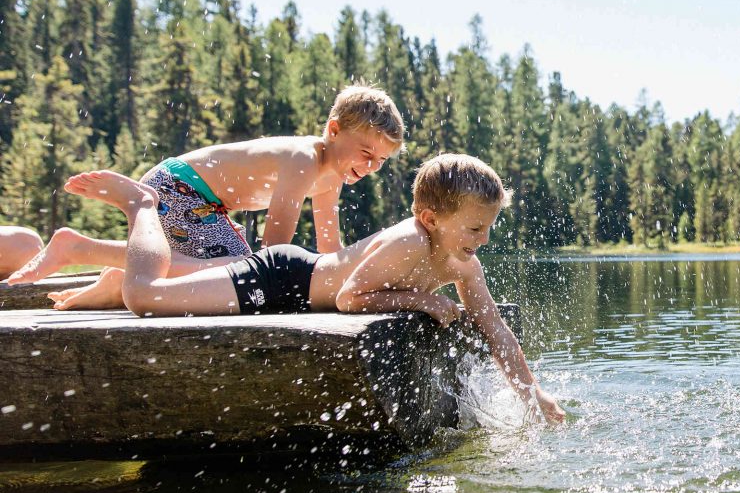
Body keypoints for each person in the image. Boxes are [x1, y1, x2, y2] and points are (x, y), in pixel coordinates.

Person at [61, 153, 566, 423]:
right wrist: (420, 300)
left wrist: (532, 394)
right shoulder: (408, 242)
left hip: (290, 284)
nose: (483, 239)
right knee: (144, 298)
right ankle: (141, 205)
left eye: (488, 227)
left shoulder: (464, 262)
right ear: (430, 219)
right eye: (475, 229)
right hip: (280, 279)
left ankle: (115, 281)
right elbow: (348, 298)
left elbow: (494, 326)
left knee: (152, 290)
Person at [4, 82, 405, 310]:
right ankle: (79, 249)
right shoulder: (304, 160)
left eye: (381, 160)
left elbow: (329, 247)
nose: (371, 166)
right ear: (333, 131)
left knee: (230, 270)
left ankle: (113, 275)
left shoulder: (331, 173)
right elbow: (275, 249)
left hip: (203, 204)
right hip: (176, 188)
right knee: (237, 271)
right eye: (366, 153)